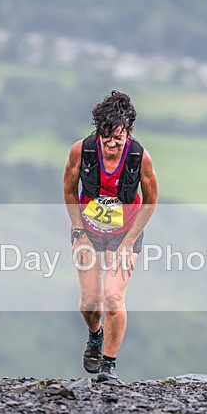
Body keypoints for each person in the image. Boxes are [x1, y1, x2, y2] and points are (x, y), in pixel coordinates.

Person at [63, 90, 158, 382]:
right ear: (98, 130)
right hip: (88, 232)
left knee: (113, 297)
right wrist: (78, 233)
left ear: (129, 131)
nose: (112, 144)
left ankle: (109, 364)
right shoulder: (82, 150)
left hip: (125, 234)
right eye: (106, 137)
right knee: (90, 303)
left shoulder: (140, 157)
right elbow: (69, 191)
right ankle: (95, 334)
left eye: (118, 137)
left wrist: (129, 243)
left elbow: (151, 200)